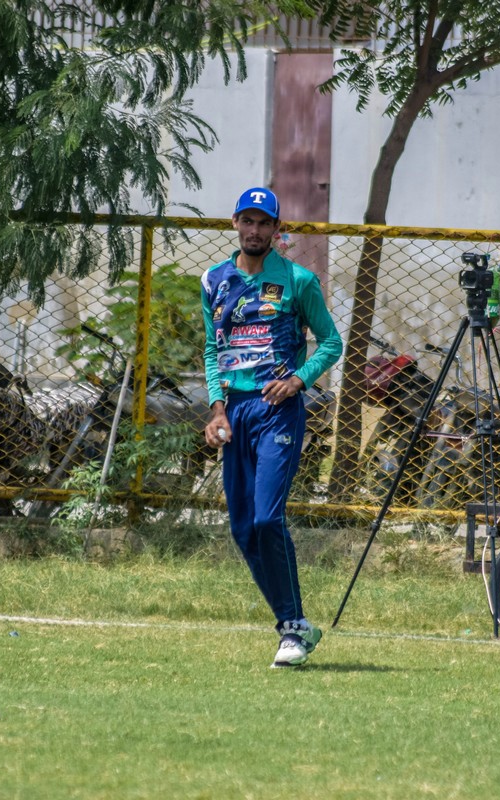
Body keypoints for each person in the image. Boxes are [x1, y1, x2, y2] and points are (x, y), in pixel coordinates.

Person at [201, 187, 343, 668]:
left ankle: (292, 628)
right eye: (248, 221)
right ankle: (295, 624)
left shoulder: (299, 281)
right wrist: (217, 409)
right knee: (243, 529)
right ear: (235, 223)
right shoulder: (214, 280)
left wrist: (298, 380)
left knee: (267, 519)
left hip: (277, 410)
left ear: (277, 229)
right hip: (235, 412)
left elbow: (330, 342)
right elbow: (213, 349)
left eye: (265, 223)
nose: (255, 230)